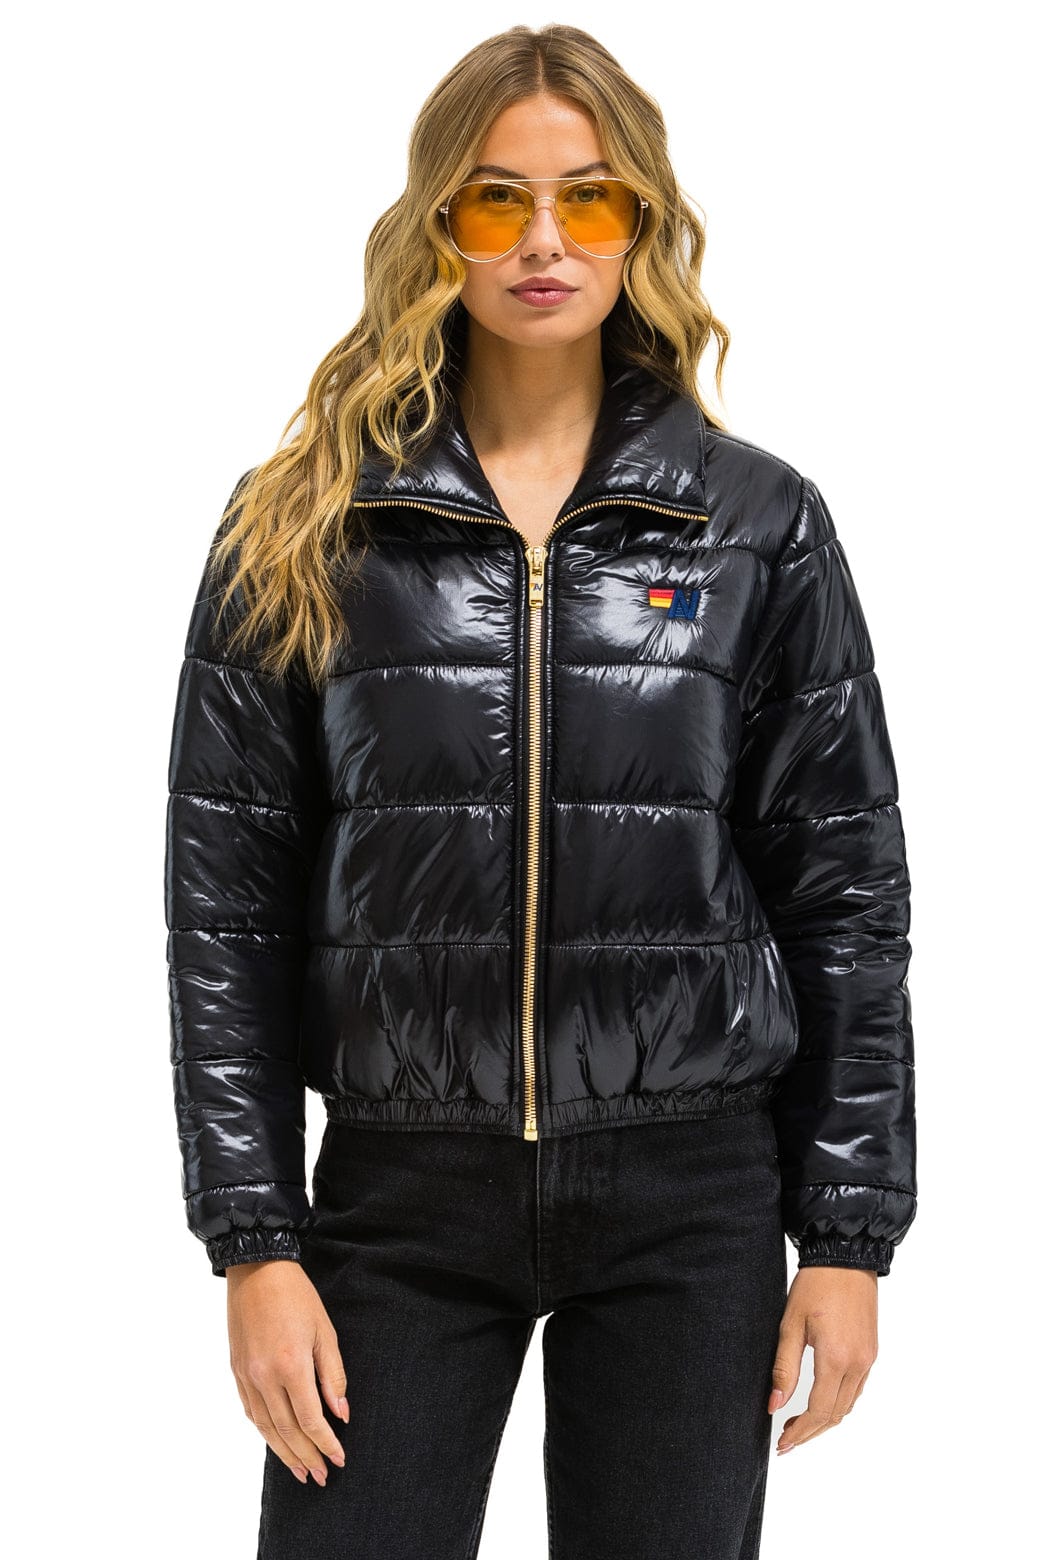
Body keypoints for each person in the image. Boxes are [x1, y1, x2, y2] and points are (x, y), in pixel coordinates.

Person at [163, 22, 917, 1560]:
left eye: (591, 198)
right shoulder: (304, 522)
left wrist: (847, 1237)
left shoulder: (754, 523)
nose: (545, 241)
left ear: (644, 222)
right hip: (400, 1192)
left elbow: (845, 892)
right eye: (498, 198)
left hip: (691, 1190)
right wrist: (253, 1242)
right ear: (438, 219)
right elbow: (224, 905)